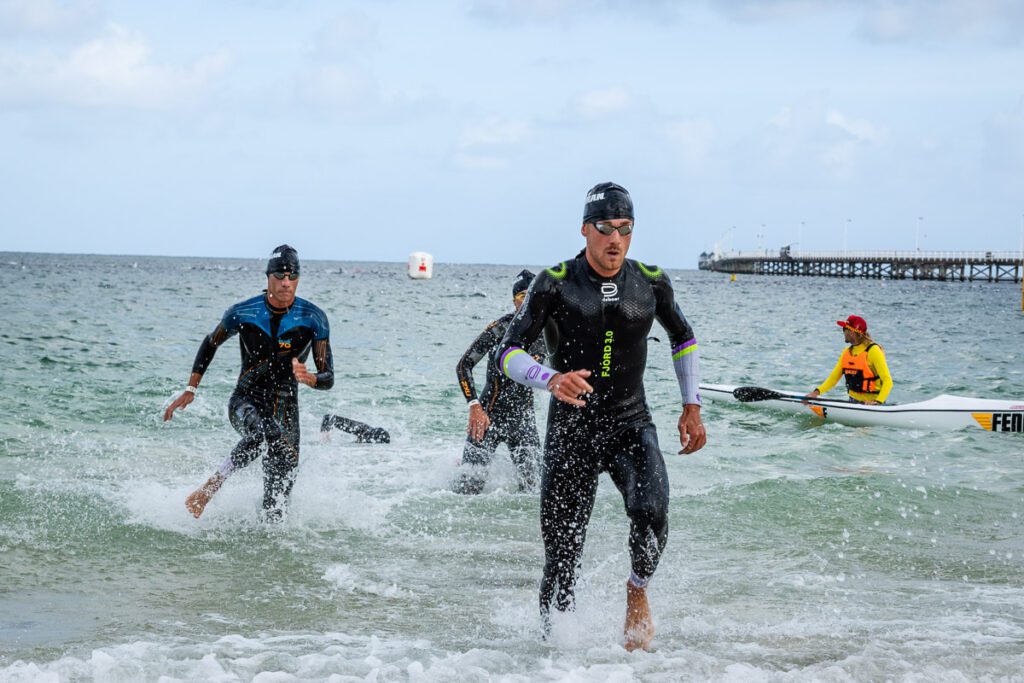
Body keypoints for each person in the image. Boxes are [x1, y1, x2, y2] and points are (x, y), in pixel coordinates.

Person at [495, 182, 707, 651]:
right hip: (572, 427)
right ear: (586, 230)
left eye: (625, 229)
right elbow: (506, 353)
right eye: (606, 228)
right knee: (563, 554)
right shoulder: (553, 281)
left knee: (652, 510)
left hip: (630, 420)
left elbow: (683, 336)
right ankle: (556, 658)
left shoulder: (651, 280)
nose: (616, 239)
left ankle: (636, 589)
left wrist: (690, 405)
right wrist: (549, 379)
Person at [163, 245, 334, 521]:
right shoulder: (243, 313)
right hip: (246, 400)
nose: (286, 282)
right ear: (268, 277)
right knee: (262, 433)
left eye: (292, 276)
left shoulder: (313, 318)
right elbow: (211, 342)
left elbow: (328, 378)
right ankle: (210, 487)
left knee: (275, 509)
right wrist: (191, 389)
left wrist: (311, 378)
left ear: (299, 278)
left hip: (286, 411)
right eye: (279, 275)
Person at [453, 270, 547, 494]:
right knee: (466, 491)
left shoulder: (548, 333)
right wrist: (474, 406)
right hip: (487, 418)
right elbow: (463, 365)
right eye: (522, 295)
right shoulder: (499, 329)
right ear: (514, 300)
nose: (528, 301)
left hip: (523, 421)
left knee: (534, 493)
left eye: (532, 295)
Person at [806, 314, 892, 405]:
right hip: (852, 402)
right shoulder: (846, 353)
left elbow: (887, 381)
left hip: (872, 404)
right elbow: (834, 378)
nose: (843, 332)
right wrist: (816, 392)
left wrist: (877, 402)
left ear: (851, 332)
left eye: (844, 329)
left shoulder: (873, 351)